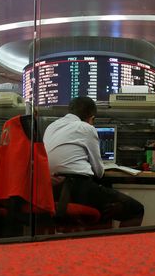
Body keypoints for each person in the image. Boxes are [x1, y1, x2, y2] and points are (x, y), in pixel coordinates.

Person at [43, 96, 144, 227]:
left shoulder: (51, 127)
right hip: (77, 190)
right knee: (136, 210)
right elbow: (99, 172)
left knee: (106, 203)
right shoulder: (86, 127)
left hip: (51, 190)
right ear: (91, 118)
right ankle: (117, 246)